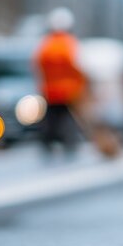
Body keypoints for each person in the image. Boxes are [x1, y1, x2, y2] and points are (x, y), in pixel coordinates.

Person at [34, 8, 86, 155]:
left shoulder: (46, 45)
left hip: (50, 91)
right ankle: (70, 143)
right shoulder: (70, 44)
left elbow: (38, 65)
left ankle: (47, 143)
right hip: (68, 91)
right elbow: (78, 66)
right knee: (68, 118)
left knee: (50, 118)